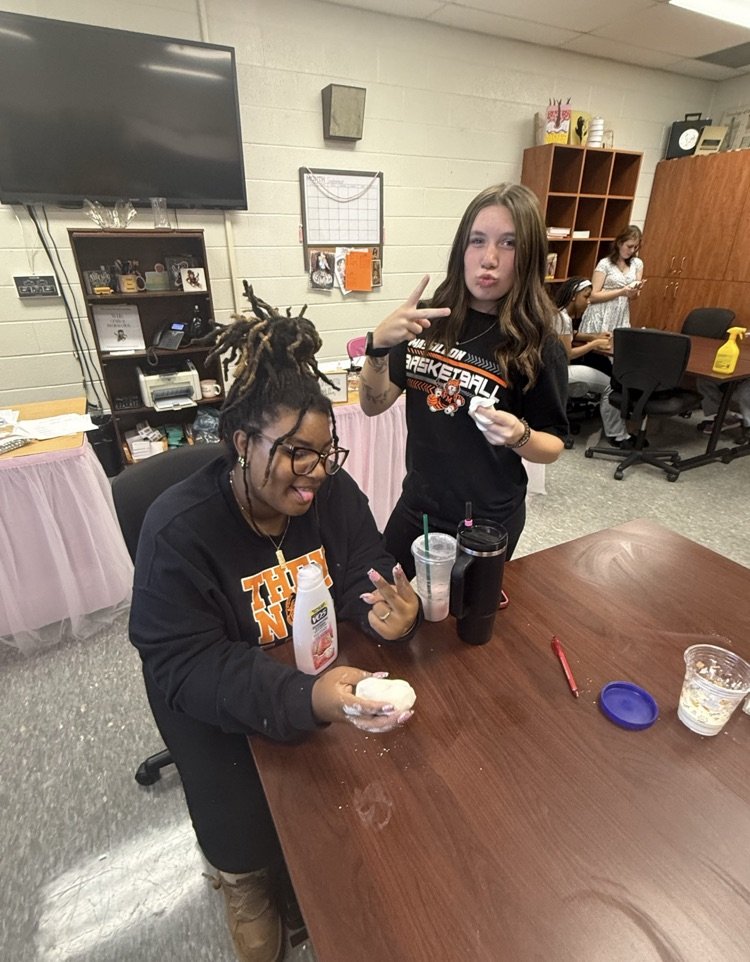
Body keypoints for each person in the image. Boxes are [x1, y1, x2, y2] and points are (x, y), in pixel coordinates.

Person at [129, 291, 420, 962]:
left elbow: (366, 563)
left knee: (338, 785)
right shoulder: (178, 533)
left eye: (327, 454)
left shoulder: (328, 490)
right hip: (214, 699)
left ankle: (303, 866)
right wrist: (306, 698)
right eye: (294, 454)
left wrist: (387, 608)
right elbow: (188, 665)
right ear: (240, 442)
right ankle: (243, 878)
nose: (315, 475)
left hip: (309, 665)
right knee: (244, 806)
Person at [358, 183, 568, 575]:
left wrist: (518, 435)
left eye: (509, 244)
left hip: (486, 522)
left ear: (529, 257)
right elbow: (374, 405)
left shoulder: (538, 344)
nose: (489, 259)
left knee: (463, 628)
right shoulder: (427, 319)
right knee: (385, 605)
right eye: (478, 241)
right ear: (462, 249)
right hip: (417, 507)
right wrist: (378, 348)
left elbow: (553, 445)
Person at [554, 276, 636, 448]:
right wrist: (594, 344)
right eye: (586, 296)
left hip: (551, 369)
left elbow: (570, 335)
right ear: (573, 296)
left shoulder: (559, 314)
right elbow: (568, 354)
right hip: (558, 371)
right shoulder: (563, 319)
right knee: (610, 386)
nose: (589, 302)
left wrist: (593, 336)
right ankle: (617, 435)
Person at [578, 225, 644, 335]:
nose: (632, 250)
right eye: (629, 246)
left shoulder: (637, 264)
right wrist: (621, 291)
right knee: (596, 346)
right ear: (619, 243)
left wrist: (635, 291)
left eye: (636, 247)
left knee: (616, 346)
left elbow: (634, 297)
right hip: (600, 312)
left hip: (620, 314)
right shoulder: (605, 264)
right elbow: (593, 296)